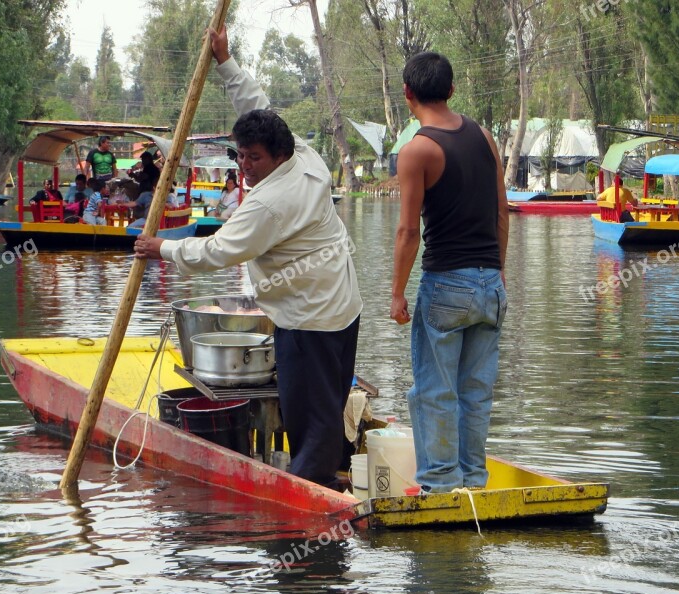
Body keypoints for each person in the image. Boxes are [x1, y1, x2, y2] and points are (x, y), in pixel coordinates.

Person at [134, 25, 362, 488]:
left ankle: (309, 499)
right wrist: (225, 60)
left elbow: (217, 251)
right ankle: (334, 473)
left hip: (308, 319)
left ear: (278, 156)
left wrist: (163, 247)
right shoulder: (305, 156)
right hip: (341, 306)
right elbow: (254, 104)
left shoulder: (269, 202)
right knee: (328, 405)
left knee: (311, 421)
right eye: (240, 156)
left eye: (252, 159)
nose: (244, 167)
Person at [390, 51, 509, 494]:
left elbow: (407, 232)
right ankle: (473, 481)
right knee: (475, 391)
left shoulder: (417, 149)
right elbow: (502, 212)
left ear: (407, 94)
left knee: (434, 391)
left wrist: (397, 293)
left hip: (446, 286)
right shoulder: (485, 137)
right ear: (452, 89)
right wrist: (498, 273)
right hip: (489, 282)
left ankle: (441, 484)